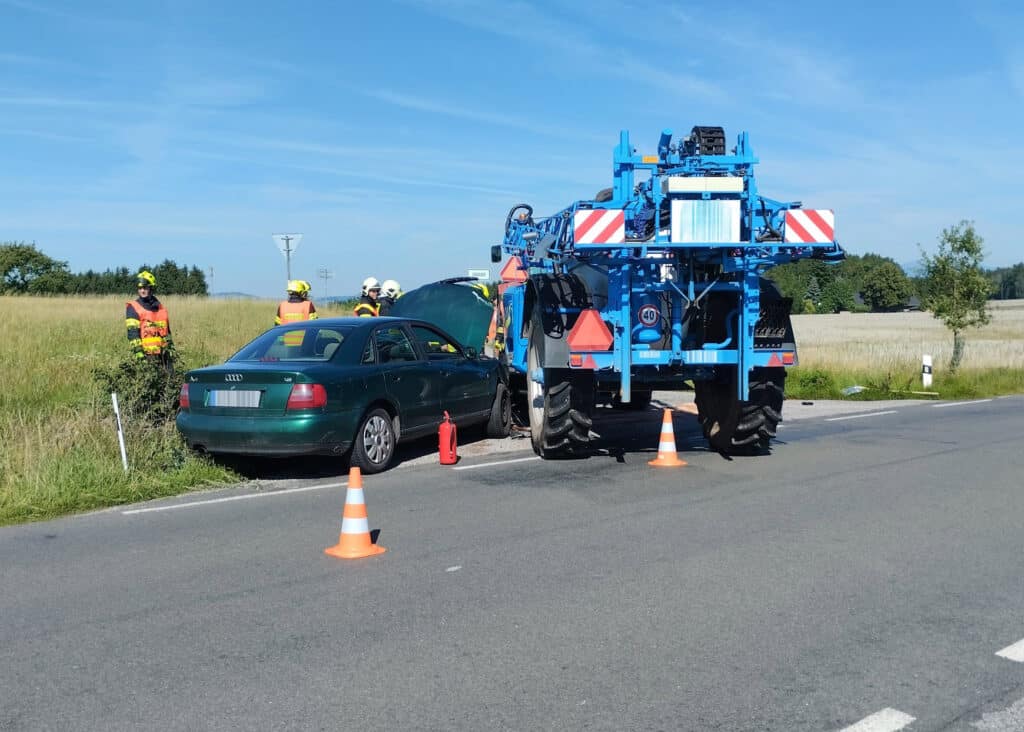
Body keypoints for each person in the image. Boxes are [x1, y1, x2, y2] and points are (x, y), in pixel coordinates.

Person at [126, 270, 174, 372]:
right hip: (146, 356)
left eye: (145, 287)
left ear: (151, 288)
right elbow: (133, 334)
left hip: (164, 355)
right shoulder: (133, 307)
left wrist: (171, 351)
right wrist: (140, 357)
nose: (142, 291)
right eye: (139, 288)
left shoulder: (161, 308)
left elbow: (168, 333)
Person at [276, 280, 318, 346]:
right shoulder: (308, 305)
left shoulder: (282, 305)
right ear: (301, 293)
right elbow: (315, 325)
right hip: (304, 341)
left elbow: (277, 326)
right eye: (304, 292)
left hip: (285, 342)